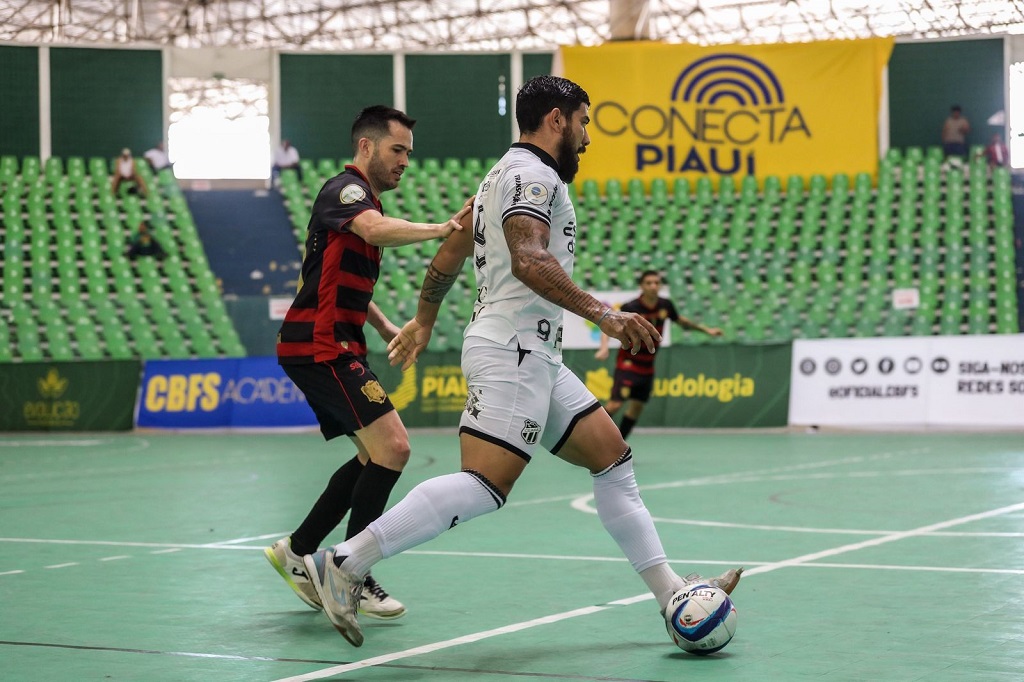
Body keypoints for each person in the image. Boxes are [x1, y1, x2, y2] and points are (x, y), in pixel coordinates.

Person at [298, 76, 742, 648]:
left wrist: (426, 319)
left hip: (535, 350)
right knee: (486, 483)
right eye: (583, 122)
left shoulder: (499, 177)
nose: (586, 136)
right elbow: (530, 261)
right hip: (512, 347)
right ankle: (345, 561)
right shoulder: (533, 176)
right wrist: (605, 316)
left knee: (612, 459)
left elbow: (451, 251)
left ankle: (671, 595)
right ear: (556, 120)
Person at [265, 105, 469, 622]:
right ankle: (350, 571)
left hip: (335, 342)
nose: (404, 162)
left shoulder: (361, 201)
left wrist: (381, 326)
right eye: (396, 150)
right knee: (394, 447)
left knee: (370, 457)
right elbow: (375, 231)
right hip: (321, 345)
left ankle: (298, 550)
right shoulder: (346, 190)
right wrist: (441, 229)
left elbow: (330, 272)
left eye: (409, 153)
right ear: (366, 147)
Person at [595, 270, 723, 438]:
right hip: (628, 364)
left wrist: (707, 330)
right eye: (649, 283)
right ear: (641, 286)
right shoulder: (631, 307)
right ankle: (591, 437)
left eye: (656, 282)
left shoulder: (665, 305)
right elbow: (610, 326)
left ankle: (618, 447)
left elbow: (682, 322)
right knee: (614, 405)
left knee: (637, 407)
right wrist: (604, 347)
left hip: (647, 367)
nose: (653, 286)